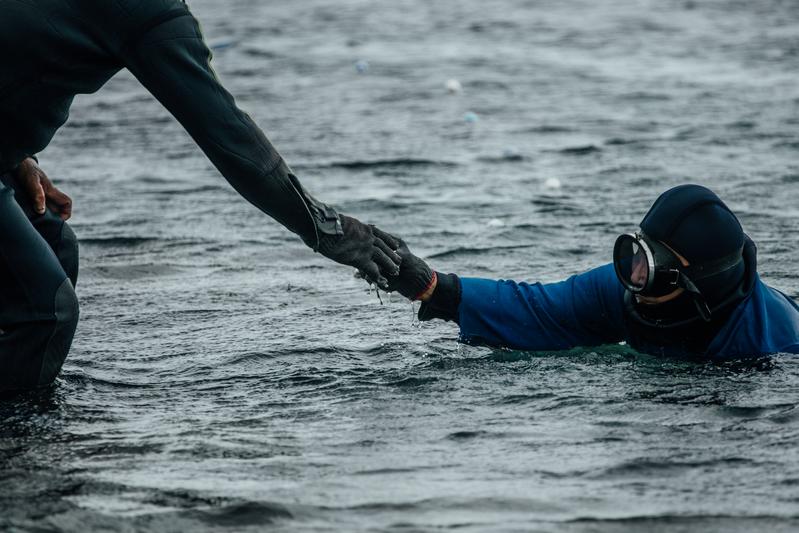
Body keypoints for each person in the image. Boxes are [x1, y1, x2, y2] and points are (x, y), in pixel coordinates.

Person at [0, 0, 402, 393]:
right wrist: (330, 230)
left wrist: (20, 156)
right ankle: (21, 446)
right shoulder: (149, 12)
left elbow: (28, 47)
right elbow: (232, 140)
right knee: (46, 313)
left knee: (55, 246)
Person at [385, 184, 799, 359]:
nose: (635, 277)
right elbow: (540, 310)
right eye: (634, 254)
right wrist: (435, 288)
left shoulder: (772, 342)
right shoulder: (627, 292)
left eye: (651, 268)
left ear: (694, 285)